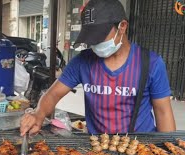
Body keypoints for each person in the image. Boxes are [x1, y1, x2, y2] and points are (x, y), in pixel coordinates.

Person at [20, 0, 176, 135]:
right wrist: (38, 114)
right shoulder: (82, 62)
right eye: (91, 39)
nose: (95, 44)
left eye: (100, 37)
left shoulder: (151, 63)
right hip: (98, 150)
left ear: (122, 26)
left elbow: (163, 112)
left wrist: (171, 150)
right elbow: (52, 95)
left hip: (140, 148)